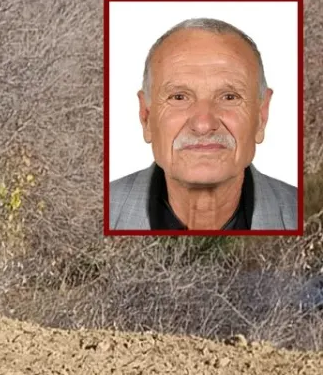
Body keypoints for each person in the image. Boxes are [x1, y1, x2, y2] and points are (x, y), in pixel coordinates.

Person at [108, 18, 298, 231]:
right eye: (179, 97)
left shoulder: (304, 213)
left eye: (229, 97)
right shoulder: (98, 210)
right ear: (146, 117)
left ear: (262, 116)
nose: (203, 125)